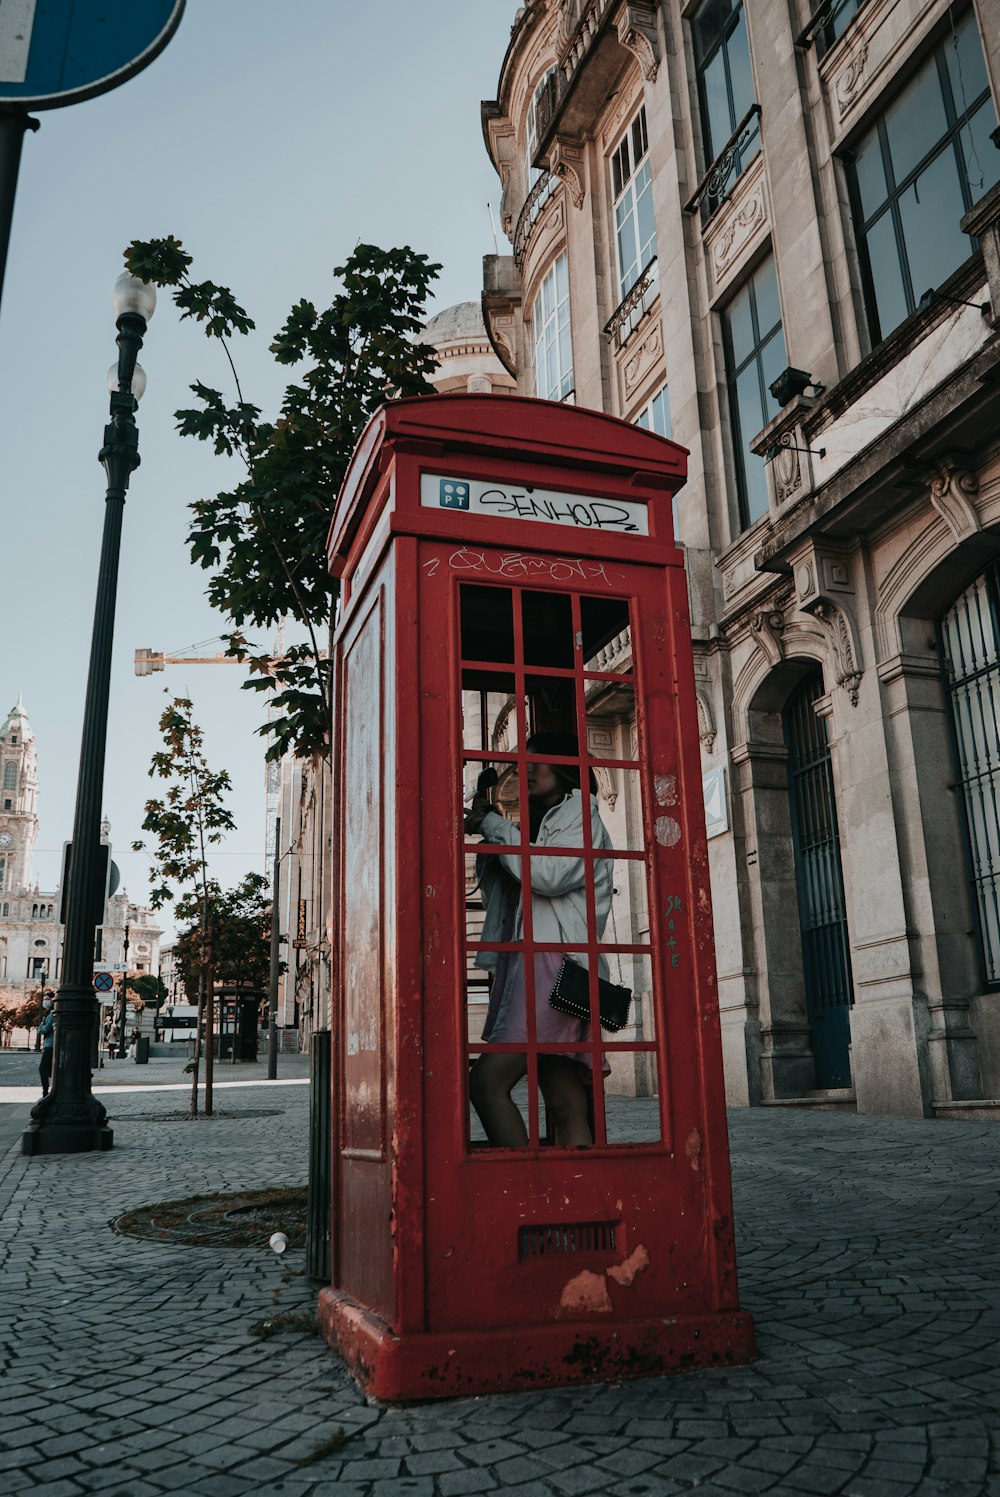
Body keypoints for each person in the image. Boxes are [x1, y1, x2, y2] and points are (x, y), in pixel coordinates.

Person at [466, 731, 613, 1148]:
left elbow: (547, 875)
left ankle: (524, 1188)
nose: (527, 770)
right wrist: (491, 828)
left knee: (486, 1084)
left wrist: (494, 825)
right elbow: (505, 892)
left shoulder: (580, 816)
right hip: (544, 966)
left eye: (539, 760)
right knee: (566, 1103)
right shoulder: (546, 825)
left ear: (566, 766)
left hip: (554, 970)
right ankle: (578, 1194)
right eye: (522, 762)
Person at [37, 993, 55, 1097]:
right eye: (44, 999)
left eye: (47, 999)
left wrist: (41, 1027)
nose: (45, 1001)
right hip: (49, 1044)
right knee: (49, 1069)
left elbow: (44, 1029)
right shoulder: (47, 1013)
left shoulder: (51, 1014)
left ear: (52, 1001)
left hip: (50, 1044)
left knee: (43, 1068)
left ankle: (45, 1092)